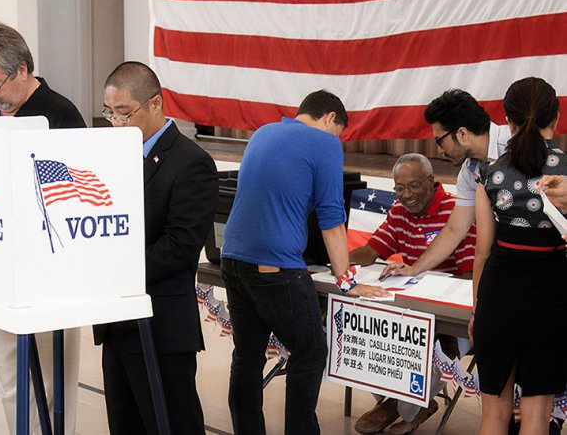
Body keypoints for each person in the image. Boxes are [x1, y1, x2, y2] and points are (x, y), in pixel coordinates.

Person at [220, 90, 389, 435]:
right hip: (274, 267)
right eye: (339, 132)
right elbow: (331, 218)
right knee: (311, 350)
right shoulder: (324, 143)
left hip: (232, 258)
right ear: (330, 118)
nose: (337, 142)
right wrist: (348, 281)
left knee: (248, 356)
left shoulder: (263, 132)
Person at [0, 21, 85, 434]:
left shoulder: (61, 114)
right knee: (10, 373)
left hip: (49, 268)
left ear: (22, 70)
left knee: (54, 378)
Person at [93, 62, 218, 434]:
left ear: (156, 104)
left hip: (160, 323)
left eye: (124, 113)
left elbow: (179, 247)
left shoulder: (191, 162)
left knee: (171, 423)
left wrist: (116, 271)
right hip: (117, 322)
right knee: (125, 423)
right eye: (109, 112)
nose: (116, 123)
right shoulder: (110, 155)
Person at [350, 153, 475, 435]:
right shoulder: (398, 211)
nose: (407, 195)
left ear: (431, 182)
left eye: (414, 186)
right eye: (399, 188)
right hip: (413, 309)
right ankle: (400, 401)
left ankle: (401, 405)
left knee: (426, 342)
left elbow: (468, 277)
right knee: (369, 329)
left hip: (453, 318)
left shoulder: (457, 211)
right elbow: (372, 251)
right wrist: (338, 261)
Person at [473, 77, 567, 435]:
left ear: (507, 121)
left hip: (498, 294)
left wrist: (477, 309)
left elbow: (482, 253)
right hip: (552, 293)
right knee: (537, 417)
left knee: (493, 415)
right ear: (555, 118)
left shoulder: (489, 173)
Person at [382, 89, 510, 280]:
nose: (439, 151)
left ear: (462, 133)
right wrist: (413, 269)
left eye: (440, 141)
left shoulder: (515, 142)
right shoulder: (469, 171)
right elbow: (454, 230)